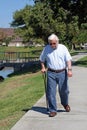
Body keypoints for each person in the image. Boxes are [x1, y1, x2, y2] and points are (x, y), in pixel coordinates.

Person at [40, 34, 72, 117]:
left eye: (54, 43)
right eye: (50, 43)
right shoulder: (46, 49)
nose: (52, 45)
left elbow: (68, 59)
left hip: (62, 72)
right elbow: (42, 59)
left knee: (64, 91)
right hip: (51, 73)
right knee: (51, 92)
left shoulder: (63, 48)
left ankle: (65, 104)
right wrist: (43, 67)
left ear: (57, 42)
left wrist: (69, 70)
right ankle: (53, 110)